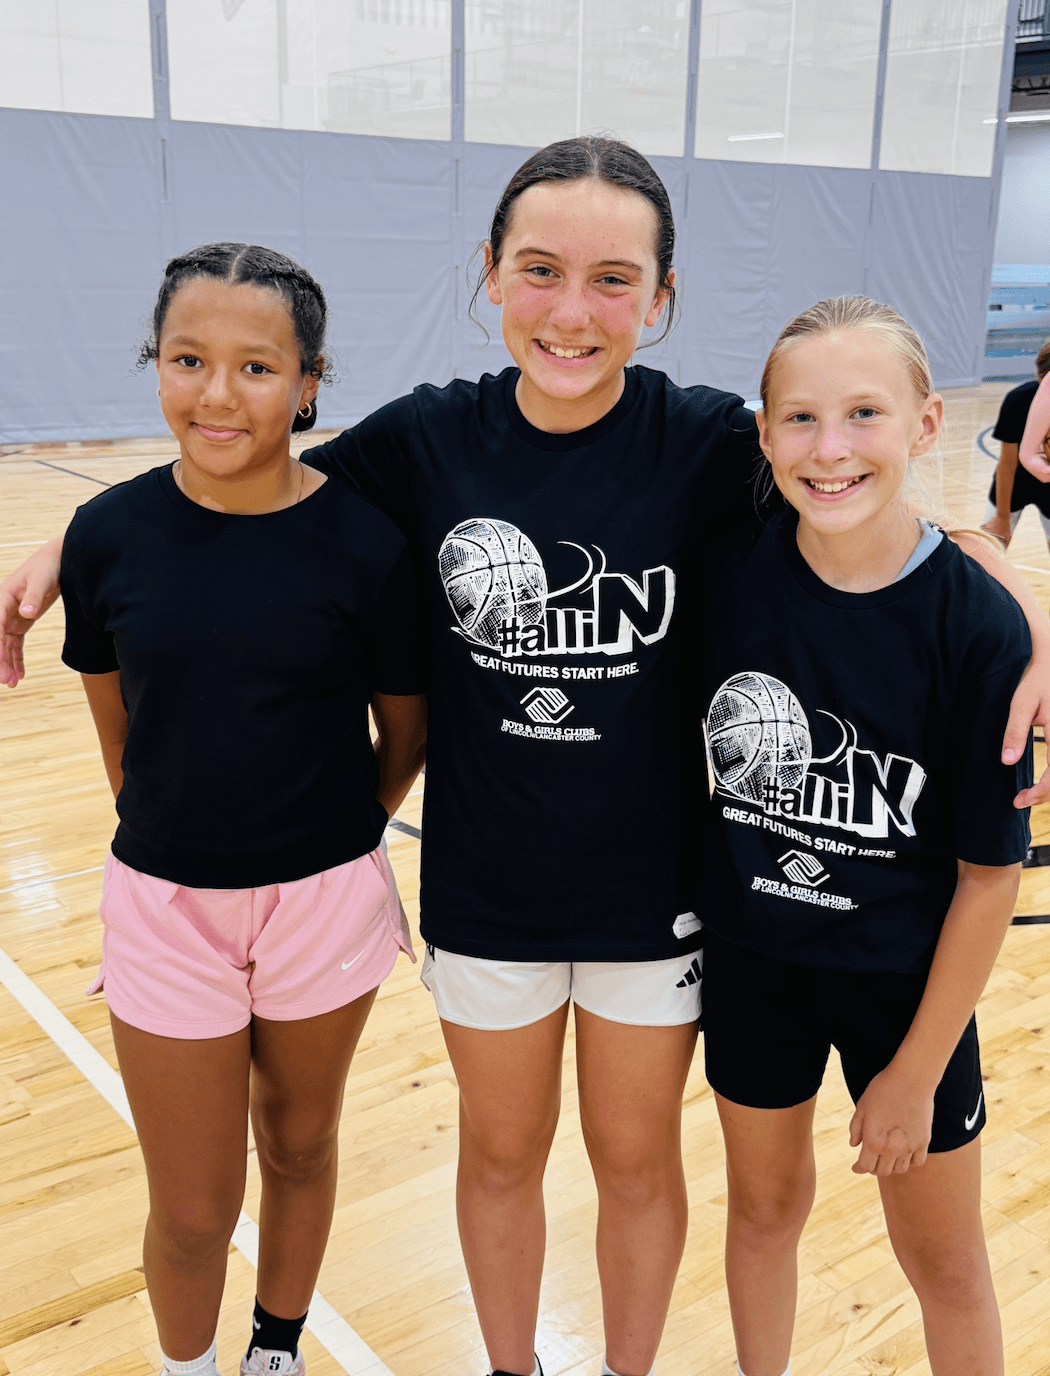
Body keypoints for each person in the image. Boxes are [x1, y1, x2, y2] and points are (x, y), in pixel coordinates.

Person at [3, 141, 1050, 1376]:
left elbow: (876, 510)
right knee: (499, 1157)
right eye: (540, 269)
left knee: (635, 1161)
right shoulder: (424, 442)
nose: (571, 309)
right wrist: (80, 538)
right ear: (489, 274)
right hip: (489, 884)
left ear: (660, 299)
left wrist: (1026, 592)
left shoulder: (715, 446)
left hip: (654, 891)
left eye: (614, 279)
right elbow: (241, 469)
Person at [57, 243, 427, 1376]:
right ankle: (189, 1366)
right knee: (193, 1203)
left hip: (325, 900)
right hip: (167, 906)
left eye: (257, 366)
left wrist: (323, 841)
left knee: (303, 1141)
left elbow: (406, 733)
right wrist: (181, 837)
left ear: (311, 379)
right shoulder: (106, 535)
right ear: (155, 364)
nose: (218, 394)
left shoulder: (367, 543)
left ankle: (275, 1345)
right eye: (187, 358)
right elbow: (120, 730)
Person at [697, 296, 1031, 1376]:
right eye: (799, 418)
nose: (829, 448)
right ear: (763, 432)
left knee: (942, 1258)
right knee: (761, 1212)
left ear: (927, 423)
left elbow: (989, 879)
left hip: (908, 992)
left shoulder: (975, 630)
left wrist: (915, 1070)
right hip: (752, 967)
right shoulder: (730, 571)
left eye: (864, 414)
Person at [981, 339, 1050, 548]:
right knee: (990, 551)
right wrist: (1002, 517)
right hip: (1015, 484)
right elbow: (1007, 463)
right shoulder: (1018, 400)